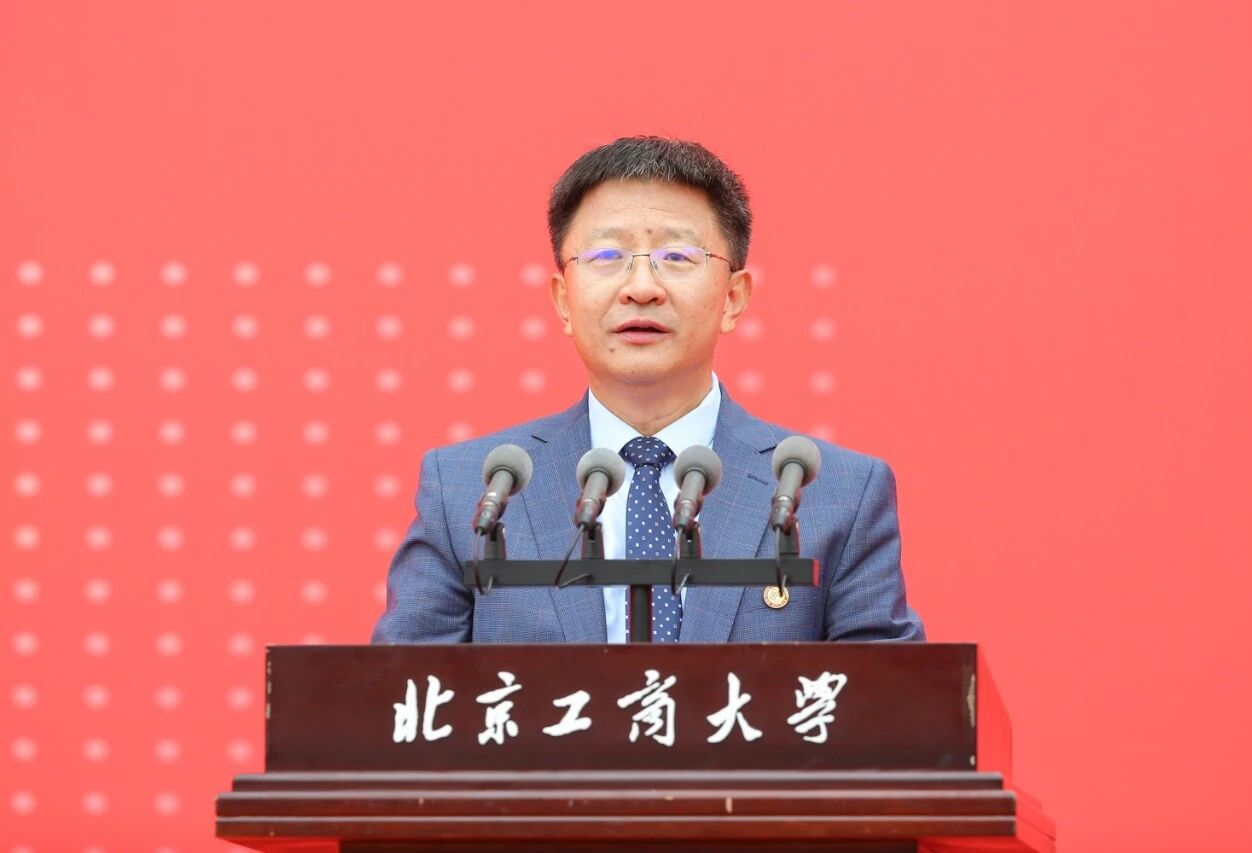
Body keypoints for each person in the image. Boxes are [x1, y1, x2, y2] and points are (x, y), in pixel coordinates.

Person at [372, 136, 925, 644]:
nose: (641, 288)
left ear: (733, 298)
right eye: (606, 257)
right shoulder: (469, 489)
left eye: (677, 258)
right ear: (563, 300)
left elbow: (890, 701)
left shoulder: (839, 493)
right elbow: (403, 695)